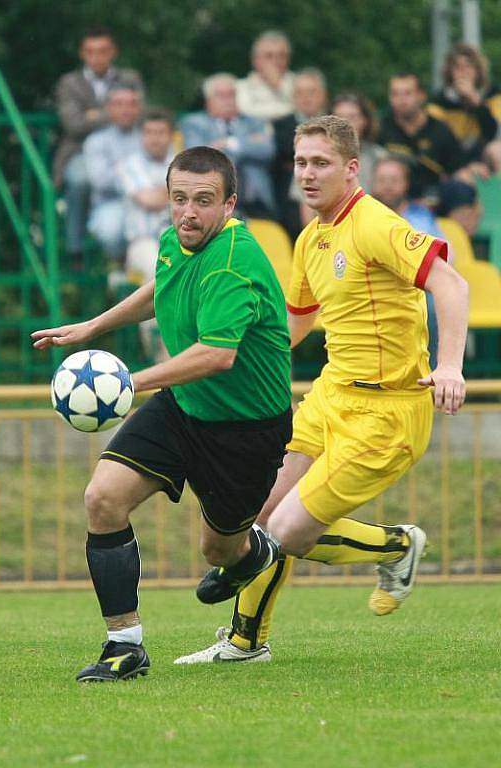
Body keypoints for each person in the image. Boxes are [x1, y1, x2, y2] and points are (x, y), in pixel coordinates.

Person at [175, 115, 468, 664]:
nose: (307, 174)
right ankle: (245, 642)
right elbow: (294, 325)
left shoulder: (376, 225)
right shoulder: (311, 237)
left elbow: (452, 284)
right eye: (300, 162)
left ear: (352, 169)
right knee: (260, 512)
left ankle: (397, 545)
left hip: (388, 412)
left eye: (320, 163)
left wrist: (450, 366)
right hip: (332, 396)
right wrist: (230, 360)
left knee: (285, 532)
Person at [31, 146, 293, 682]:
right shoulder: (178, 241)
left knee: (219, 548)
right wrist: (91, 328)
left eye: (203, 201)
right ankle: (123, 646)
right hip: (182, 406)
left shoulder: (233, 262)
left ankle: (253, 556)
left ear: (230, 204)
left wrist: (128, 383)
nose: (187, 213)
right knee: (102, 498)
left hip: (246, 429)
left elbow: (218, 355)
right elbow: (162, 289)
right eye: (179, 199)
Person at [53, 28, 144, 268]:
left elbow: (139, 113)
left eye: (103, 51)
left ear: (112, 52)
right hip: (81, 150)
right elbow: (73, 124)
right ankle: (75, 246)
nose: (97, 57)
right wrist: (113, 112)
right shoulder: (69, 82)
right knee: (81, 178)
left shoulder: (129, 78)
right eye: (91, 52)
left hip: (124, 144)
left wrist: (94, 115)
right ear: (83, 54)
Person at [371, 155, 445, 368]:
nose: (387, 186)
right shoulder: (361, 215)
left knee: (431, 304)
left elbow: (444, 259)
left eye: (394, 180)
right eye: (382, 180)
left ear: (406, 184)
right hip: (372, 287)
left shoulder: (421, 216)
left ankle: (433, 373)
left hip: (413, 288)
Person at [181, 73, 276, 218]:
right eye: (221, 95)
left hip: (256, 201)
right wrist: (247, 143)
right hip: (211, 200)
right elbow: (196, 157)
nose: (228, 101)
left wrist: (231, 143)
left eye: (232, 95)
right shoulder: (194, 123)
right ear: (208, 100)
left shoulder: (255, 122)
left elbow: (268, 150)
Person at [378, 73, 465, 204]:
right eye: (395, 94)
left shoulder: (441, 130)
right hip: (389, 202)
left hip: (433, 202)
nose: (401, 100)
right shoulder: (381, 128)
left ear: (421, 95)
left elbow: (456, 170)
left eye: (407, 93)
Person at [84, 83, 143, 261]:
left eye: (131, 104)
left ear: (138, 108)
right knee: (111, 232)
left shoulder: (149, 136)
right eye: (119, 104)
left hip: (150, 203)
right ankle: (123, 267)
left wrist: (120, 171)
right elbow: (100, 180)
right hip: (111, 203)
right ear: (109, 108)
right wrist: (138, 187)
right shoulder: (96, 141)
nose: (126, 109)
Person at [118, 107, 175, 284]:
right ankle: (162, 314)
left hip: (177, 238)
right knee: (159, 269)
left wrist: (160, 191)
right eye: (149, 133)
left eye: (160, 132)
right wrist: (177, 192)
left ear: (171, 135)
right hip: (143, 242)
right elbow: (149, 200)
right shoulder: (129, 164)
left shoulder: (181, 162)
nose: (155, 139)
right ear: (141, 136)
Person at [272, 68, 329, 240]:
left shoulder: (335, 123)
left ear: (323, 95)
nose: (306, 98)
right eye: (300, 93)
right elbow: (285, 151)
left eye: (311, 92)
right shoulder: (280, 125)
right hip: (288, 202)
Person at [428, 43, 501, 166]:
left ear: (478, 71)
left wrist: (476, 102)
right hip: (453, 159)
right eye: (457, 68)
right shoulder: (439, 103)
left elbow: (493, 133)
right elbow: (438, 142)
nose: (463, 73)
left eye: (469, 66)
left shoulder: (494, 95)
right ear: (450, 72)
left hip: (486, 157)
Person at [331, 92, 387, 193]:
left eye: (352, 117)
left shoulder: (380, 157)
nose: (345, 124)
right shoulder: (315, 156)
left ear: (365, 121)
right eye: (338, 118)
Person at [236, 30, 295, 122]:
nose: (276, 61)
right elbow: (245, 113)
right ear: (255, 60)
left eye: (282, 55)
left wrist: (279, 86)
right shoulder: (240, 87)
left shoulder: (299, 84)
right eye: (269, 56)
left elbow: (303, 112)